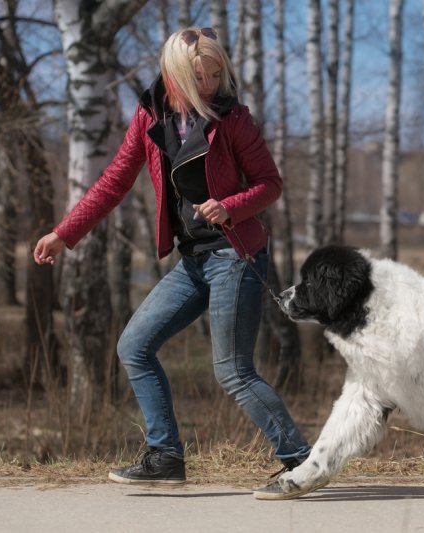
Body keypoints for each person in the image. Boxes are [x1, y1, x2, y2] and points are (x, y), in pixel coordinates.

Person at [33, 27, 313, 499]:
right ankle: (165, 457)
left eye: (215, 74)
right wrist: (66, 232)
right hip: (195, 261)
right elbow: (114, 181)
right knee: (134, 346)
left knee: (233, 371)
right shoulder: (148, 118)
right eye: (199, 76)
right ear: (173, 74)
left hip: (236, 256)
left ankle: (302, 462)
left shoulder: (234, 119)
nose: (210, 85)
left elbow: (269, 183)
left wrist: (231, 205)